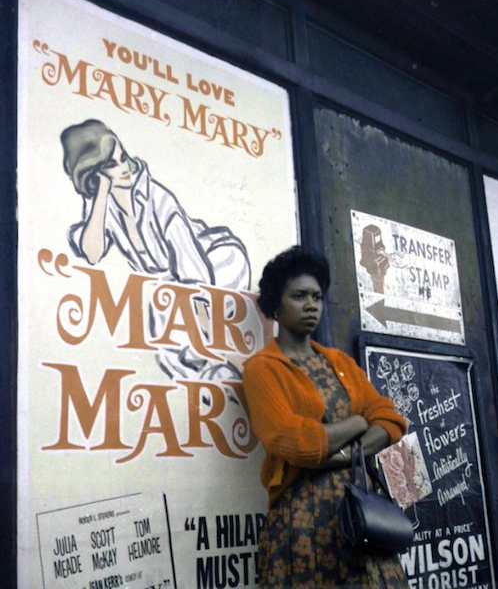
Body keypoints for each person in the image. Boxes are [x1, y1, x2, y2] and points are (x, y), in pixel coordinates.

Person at [243, 246, 409, 588]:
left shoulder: (340, 363)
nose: (311, 305)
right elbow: (297, 446)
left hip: (364, 515)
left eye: (317, 297)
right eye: (299, 296)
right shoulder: (262, 370)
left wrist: (340, 451)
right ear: (276, 303)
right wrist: (358, 423)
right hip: (303, 520)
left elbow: (390, 421)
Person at [61, 119, 251, 381]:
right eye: (113, 164)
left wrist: (210, 338)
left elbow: (194, 274)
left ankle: (218, 365)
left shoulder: (159, 199)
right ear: (95, 175)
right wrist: (102, 192)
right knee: (164, 342)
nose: (125, 167)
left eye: (123, 157)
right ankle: (210, 377)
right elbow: (92, 252)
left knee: (181, 322)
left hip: (217, 260)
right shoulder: (101, 205)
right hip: (175, 283)